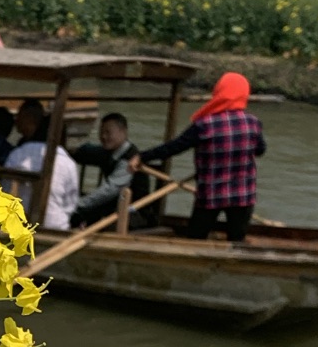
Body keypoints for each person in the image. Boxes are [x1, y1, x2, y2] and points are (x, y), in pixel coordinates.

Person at [140, 71, 266, 244]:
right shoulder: (253, 123)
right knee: (237, 240)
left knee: (196, 239)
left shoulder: (204, 124)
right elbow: (260, 150)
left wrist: (141, 157)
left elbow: (174, 147)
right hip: (243, 196)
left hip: (211, 194)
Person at [4, 98, 80, 231]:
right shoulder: (69, 163)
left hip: (22, 224)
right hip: (57, 227)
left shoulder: (18, 154)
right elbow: (70, 205)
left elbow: (5, 190)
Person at [69, 112, 151, 230]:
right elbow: (88, 151)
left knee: (91, 222)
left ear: (123, 132)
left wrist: (76, 205)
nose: (103, 137)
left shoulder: (130, 159)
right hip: (111, 208)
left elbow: (108, 190)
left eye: (108, 132)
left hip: (134, 213)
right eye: (101, 132)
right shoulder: (109, 151)